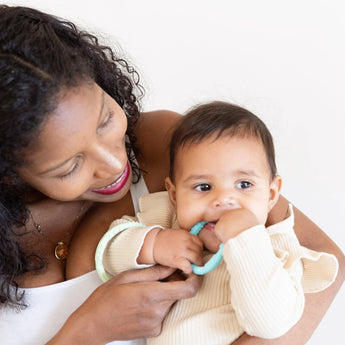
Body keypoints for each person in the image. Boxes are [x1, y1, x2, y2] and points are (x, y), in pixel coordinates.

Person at [0, 5, 343, 345]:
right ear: (8, 175)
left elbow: (322, 260)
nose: (115, 163)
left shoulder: (167, 142)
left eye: (105, 120)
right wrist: (85, 332)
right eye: (70, 166)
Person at [93, 101, 338, 345]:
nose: (223, 200)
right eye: (204, 187)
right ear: (175, 194)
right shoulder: (170, 222)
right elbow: (108, 254)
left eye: (244, 184)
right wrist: (154, 243)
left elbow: (268, 325)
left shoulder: (278, 249)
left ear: (272, 195)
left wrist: (247, 241)